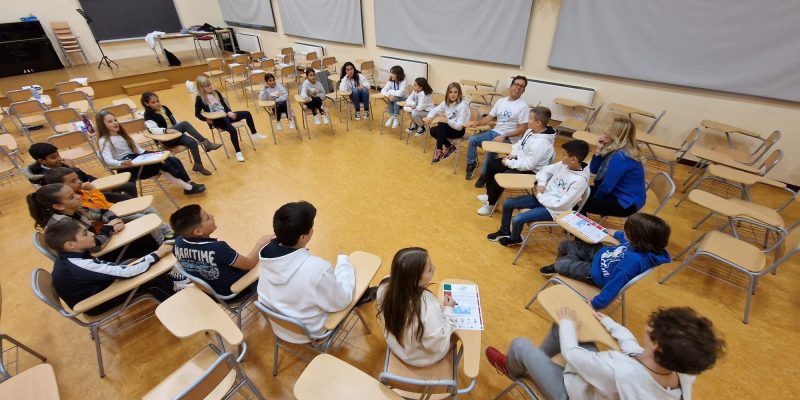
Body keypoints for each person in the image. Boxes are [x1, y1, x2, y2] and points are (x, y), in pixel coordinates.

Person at [485, 307, 725, 400]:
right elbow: (635, 352)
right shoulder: (683, 375)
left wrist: (569, 320)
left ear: (658, 345)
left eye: (654, 328)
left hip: (571, 394)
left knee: (520, 345)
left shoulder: (620, 371)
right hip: (601, 386)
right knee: (565, 331)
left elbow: (572, 354)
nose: (648, 326)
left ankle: (513, 368)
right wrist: (612, 324)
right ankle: (534, 367)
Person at [257, 201, 355, 343]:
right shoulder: (317, 269)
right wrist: (344, 263)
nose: (313, 230)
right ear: (303, 237)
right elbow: (342, 301)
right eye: (311, 227)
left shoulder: (267, 255)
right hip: (310, 332)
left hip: (279, 326)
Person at [45, 219, 177, 316]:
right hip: (95, 303)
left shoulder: (72, 255)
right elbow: (129, 272)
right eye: (85, 234)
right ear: (70, 245)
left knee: (147, 267)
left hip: (97, 289)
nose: (92, 234)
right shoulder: (78, 266)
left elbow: (106, 268)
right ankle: (179, 309)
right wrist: (157, 254)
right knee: (153, 281)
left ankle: (177, 287)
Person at [540, 213, 672, 310]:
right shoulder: (643, 245)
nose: (624, 232)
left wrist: (595, 304)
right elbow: (622, 237)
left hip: (596, 274)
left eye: (628, 232)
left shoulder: (632, 261)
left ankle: (562, 266)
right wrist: (611, 232)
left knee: (560, 264)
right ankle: (568, 263)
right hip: (602, 254)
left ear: (638, 238)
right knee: (564, 245)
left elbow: (614, 285)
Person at [487, 139, 591, 247]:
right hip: (542, 197)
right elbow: (544, 170)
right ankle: (504, 232)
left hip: (554, 211)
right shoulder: (564, 164)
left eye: (564, 155)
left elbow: (561, 204)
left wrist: (540, 196)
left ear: (573, 159)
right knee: (508, 202)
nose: (561, 156)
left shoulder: (579, 181)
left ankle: (515, 239)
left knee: (518, 219)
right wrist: (541, 184)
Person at [27, 183, 159, 262]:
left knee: (142, 233)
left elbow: (101, 212)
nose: (79, 196)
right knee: (147, 240)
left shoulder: (72, 208)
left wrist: (113, 220)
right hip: (94, 257)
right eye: (72, 197)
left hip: (98, 244)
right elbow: (94, 246)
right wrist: (109, 228)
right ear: (58, 206)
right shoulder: (63, 225)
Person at [43, 167, 173, 241]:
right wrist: (93, 190)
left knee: (147, 209)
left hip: (110, 219)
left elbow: (103, 208)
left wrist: (113, 219)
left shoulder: (78, 194)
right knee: (144, 217)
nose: (79, 182)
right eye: (73, 181)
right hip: (104, 230)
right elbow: (102, 205)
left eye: (78, 178)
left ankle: (167, 233)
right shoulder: (74, 204)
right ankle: (162, 242)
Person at [376, 247, 456, 367]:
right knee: (457, 334)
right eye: (429, 269)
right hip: (418, 358)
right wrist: (449, 309)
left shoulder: (385, 285)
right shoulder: (427, 307)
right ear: (415, 279)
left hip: (396, 345)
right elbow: (439, 345)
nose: (435, 268)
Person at [170, 204, 271, 299]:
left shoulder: (177, 243)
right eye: (207, 218)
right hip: (237, 291)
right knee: (269, 257)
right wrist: (260, 243)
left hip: (213, 292)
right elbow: (249, 264)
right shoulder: (218, 248)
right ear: (198, 231)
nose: (212, 216)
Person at [96, 111, 206, 195]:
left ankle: (187, 184)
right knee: (161, 165)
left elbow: (139, 150)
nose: (115, 122)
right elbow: (108, 160)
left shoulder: (123, 135)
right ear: (102, 125)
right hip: (128, 167)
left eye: (115, 120)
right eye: (110, 121)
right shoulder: (104, 140)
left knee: (171, 159)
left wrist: (156, 154)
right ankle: (188, 188)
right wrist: (121, 163)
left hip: (137, 159)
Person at [476, 106, 556, 216]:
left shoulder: (541, 144)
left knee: (501, 175)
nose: (528, 120)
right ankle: (490, 196)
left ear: (538, 123)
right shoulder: (531, 131)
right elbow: (520, 144)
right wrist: (513, 154)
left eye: (530, 118)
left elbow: (529, 165)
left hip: (531, 171)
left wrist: (509, 163)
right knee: (492, 164)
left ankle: (491, 204)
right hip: (520, 161)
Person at [464, 75, 531, 186]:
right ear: (511, 86)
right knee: (472, 140)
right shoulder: (501, 101)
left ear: (523, 90)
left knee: (491, 149)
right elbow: (489, 117)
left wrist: (504, 135)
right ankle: (472, 164)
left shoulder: (523, 106)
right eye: (516, 84)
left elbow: (523, 128)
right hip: (495, 132)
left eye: (521, 86)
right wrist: (476, 123)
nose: (518, 88)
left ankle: (484, 175)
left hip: (510, 138)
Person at [141, 91, 221, 176]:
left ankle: (198, 165)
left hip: (176, 135)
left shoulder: (164, 108)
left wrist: (180, 130)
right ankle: (206, 142)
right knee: (184, 123)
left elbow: (175, 121)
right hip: (166, 139)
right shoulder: (148, 115)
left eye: (158, 101)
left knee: (192, 142)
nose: (157, 103)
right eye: (153, 102)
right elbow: (153, 130)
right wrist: (166, 130)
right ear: (147, 104)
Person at [24, 142, 136, 201]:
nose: (59, 158)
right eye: (53, 157)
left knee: (129, 186)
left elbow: (86, 177)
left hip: (90, 188)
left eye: (58, 154)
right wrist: (73, 168)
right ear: (41, 161)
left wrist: (101, 184)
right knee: (123, 198)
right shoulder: (45, 178)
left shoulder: (62, 164)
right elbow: (71, 190)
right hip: (82, 197)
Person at [582, 117, 646, 217]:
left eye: (609, 129)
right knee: (577, 192)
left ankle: (581, 229)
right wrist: (599, 150)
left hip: (625, 202)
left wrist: (594, 200)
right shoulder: (615, 149)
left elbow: (607, 186)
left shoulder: (622, 156)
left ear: (617, 134)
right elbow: (593, 170)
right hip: (616, 193)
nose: (605, 131)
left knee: (576, 199)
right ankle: (579, 222)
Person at [194, 75, 266, 162]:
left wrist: (229, 112)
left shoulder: (216, 92)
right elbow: (197, 114)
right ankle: (238, 152)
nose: (210, 87)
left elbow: (224, 106)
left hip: (226, 115)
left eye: (210, 84)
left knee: (247, 113)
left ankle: (254, 134)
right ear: (201, 88)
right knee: (232, 130)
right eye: (207, 86)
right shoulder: (199, 99)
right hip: (217, 120)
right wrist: (207, 119)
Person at [422, 82, 470, 163]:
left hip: (458, 131)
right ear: (447, 93)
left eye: (455, 92)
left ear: (459, 94)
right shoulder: (446, 103)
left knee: (442, 123)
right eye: (450, 92)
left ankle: (439, 150)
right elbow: (435, 110)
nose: (453, 94)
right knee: (433, 130)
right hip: (448, 128)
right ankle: (449, 146)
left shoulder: (463, 106)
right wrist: (429, 117)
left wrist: (447, 121)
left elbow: (459, 126)